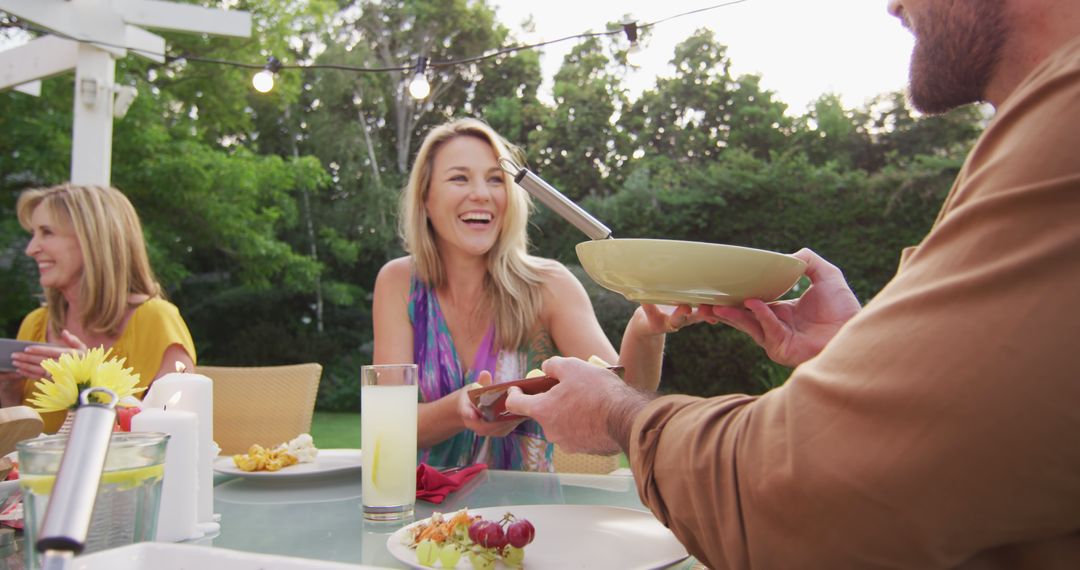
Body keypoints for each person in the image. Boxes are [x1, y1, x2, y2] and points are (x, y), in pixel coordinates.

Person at [505, 0, 1080, 567]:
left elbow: (796, 488)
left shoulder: (1064, 131)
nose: (893, 4)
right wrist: (853, 350)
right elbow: (970, 439)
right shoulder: (1038, 131)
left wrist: (616, 415)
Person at [372, 118, 711, 471]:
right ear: (425, 198)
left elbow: (619, 400)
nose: (482, 194)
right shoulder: (398, 283)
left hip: (529, 516)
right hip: (424, 514)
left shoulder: (550, 285)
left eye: (495, 179)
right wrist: (459, 408)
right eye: (459, 178)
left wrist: (644, 331)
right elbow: (387, 426)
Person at [0, 184, 196, 433]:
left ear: (93, 240)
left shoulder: (156, 320)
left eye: (47, 232)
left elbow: (176, 435)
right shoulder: (35, 324)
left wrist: (87, 381)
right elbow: (20, 452)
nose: (31, 249)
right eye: (33, 233)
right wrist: (8, 393)